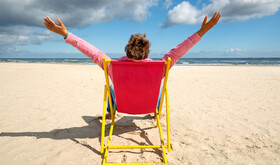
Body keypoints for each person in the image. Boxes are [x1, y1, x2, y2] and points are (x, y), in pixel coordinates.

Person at [43, 12, 221, 115]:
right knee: (159, 88)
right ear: (147, 53)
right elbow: (179, 50)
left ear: (126, 51)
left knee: (112, 88)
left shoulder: (111, 66)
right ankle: (156, 113)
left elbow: (92, 51)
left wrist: (66, 35)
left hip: (123, 106)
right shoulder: (160, 67)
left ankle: (111, 113)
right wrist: (202, 31)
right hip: (148, 105)